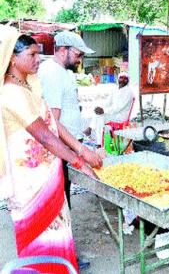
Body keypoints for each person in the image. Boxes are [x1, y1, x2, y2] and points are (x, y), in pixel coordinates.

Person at [0, 26, 102, 273]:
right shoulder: (11, 93)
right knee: (40, 235)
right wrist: (79, 161)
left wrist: (80, 149)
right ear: (12, 58)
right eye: (32, 55)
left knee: (58, 230)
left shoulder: (28, 85)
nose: (38, 60)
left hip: (48, 174)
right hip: (30, 182)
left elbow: (53, 123)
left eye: (38, 54)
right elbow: (45, 136)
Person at [38, 30, 95, 209]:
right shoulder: (52, 73)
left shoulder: (65, 72)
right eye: (78, 54)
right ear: (63, 50)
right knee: (59, 199)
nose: (80, 60)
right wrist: (81, 150)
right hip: (61, 145)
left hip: (69, 142)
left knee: (64, 192)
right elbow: (53, 122)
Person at [85, 71, 134, 144]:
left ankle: (93, 134)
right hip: (113, 113)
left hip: (121, 116)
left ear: (128, 81)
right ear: (118, 79)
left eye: (125, 79)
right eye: (121, 78)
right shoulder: (115, 89)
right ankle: (97, 140)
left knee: (100, 117)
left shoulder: (128, 92)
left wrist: (103, 110)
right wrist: (100, 108)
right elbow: (108, 102)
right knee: (99, 116)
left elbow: (118, 108)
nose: (123, 80)